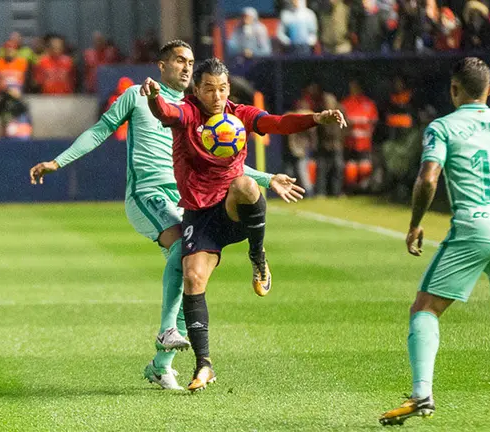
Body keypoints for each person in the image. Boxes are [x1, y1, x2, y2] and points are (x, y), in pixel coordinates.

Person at [28, 41, 303, 391]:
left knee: (192, 274)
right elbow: (100, 131)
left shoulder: (200, 111)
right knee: (179, 254)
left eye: (190, 62)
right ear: (161, 65)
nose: (186, 68)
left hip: (185, 200)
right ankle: (167, 331)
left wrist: (267, 178)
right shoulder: (138, 96)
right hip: (148, 195)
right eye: (179, 61)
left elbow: (227, 163)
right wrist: (58, 161)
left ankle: (161, 363)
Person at [141, 57, 346, 392]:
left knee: (247, 185)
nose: (217, 95)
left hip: (232, 210)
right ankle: (204, 365)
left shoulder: (240, 114)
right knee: (193, 278)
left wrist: (316, 118)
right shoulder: (188, 113)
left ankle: (258, 257)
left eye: (222, 89)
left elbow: (279, 123)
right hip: (200, 215)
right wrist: (153, 99)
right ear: (197, 89)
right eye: (209, 88)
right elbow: (166, 113)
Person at [379, 57, 490, 426]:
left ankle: (422, 392)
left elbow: (428, 179)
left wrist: (415, 223)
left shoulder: (442, 127)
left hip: (474, 228)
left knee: (424, 308)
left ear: (454, 89)